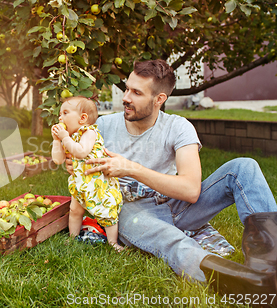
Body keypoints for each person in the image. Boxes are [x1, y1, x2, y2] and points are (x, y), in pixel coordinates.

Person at [66, 59, 277, 287]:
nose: (126, 97)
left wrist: (131, 168)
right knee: (168, 238)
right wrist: (74, 164)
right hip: (129, 209)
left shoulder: (178, 127)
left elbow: (190, 190)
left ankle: (268, 264)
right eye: (127, 88)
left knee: (243, 167)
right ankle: (239, 282)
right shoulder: (103, 126)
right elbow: (76, 158)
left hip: (177, 204)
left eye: (136, 92)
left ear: (159, 99)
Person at [51, 96, 124, 251]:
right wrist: (57, 141)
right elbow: (57, 160)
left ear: (82, 118)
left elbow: (82, 152)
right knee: (75, 210)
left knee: (107, 213)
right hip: (80, 184)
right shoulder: (69, 138)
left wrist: (64, 137)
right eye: (60, 114)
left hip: (98, 184)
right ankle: (73, 237)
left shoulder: (89, 132)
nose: (60, 117)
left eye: (65, 112)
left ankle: (113, 243)